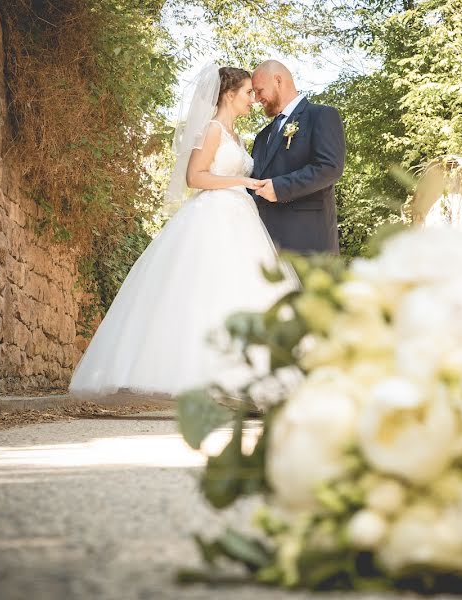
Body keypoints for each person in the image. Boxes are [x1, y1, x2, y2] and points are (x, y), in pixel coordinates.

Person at [69, 64, 291, 398]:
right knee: (202, 292)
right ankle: (199, 377)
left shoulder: (237, 136)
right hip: (212, 216)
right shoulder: (213, 129)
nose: (252, 99)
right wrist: (242, 181)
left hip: (241, 218)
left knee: (236, 290)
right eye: (247, 92)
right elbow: (195, 177)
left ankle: (238, 378)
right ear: (229, 94)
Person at [250, 60, 346, 255]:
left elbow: (329, 167)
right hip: (263, 242)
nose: (257, 98)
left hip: (308, 241)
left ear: (278, 80)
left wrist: (279, 188)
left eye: (259, 90)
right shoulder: (262, 136)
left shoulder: (321, 115)